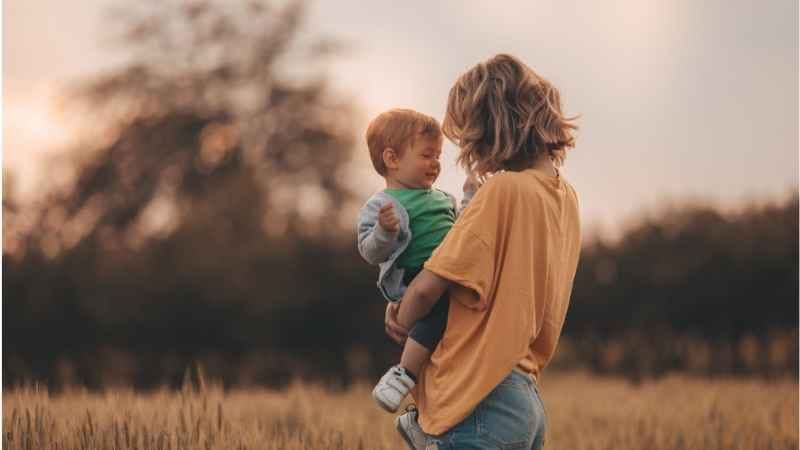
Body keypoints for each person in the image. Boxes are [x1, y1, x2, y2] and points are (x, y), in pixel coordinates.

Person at [388, 54, 582, 450]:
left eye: (470, 136)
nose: (471, 150)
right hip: (525, 399)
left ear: (491, 127)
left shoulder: (503, 191)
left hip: (477, 401)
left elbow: (429, 286)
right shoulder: (566, 198)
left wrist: (400, 316)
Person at [357, 108, 479, 413]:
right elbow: (369, 251)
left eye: (438, 156)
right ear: (392, 159)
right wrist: (385, 232)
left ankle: (424, 414)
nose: (435, 163)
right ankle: (402, 373)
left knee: (448, 347)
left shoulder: (442, 198)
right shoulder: (382, 205)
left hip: (449, 274)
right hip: (416, 279)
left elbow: (461, 230)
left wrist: (469, 198)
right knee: (438, 316)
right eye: (427, 155)